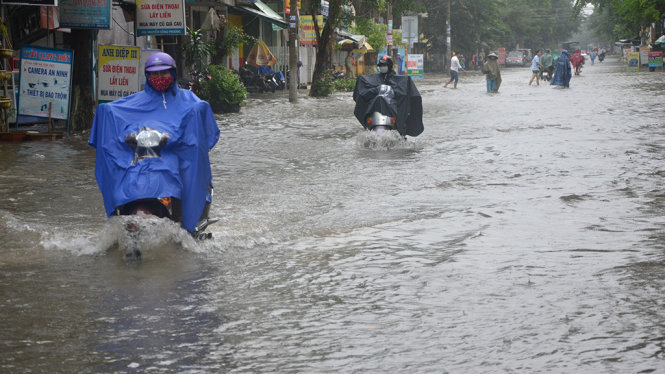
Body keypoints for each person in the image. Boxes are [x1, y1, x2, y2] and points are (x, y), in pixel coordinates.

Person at [89, 52, 220, 234]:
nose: (159, 78)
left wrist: (196, 116)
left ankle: (185, 226)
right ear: (147, 76)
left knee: (184, 179)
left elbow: (203, 133)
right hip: (144, 160)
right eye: (154, 74)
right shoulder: (135, 102)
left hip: (177, 158)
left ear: (173, 73)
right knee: (125, 180)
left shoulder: (190, 102)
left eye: (164, 73)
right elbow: (115, 112)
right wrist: (104, 111)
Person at [353, 55, 423, 137]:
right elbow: (361, 94)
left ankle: (401, 126)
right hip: (374, 112)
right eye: (381, 66)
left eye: (384, 65)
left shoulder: (400, 80)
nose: (383, 67)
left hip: (394, 112)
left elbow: (408, 97)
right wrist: (376, 90)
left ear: (389, 66)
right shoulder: (371, 80)